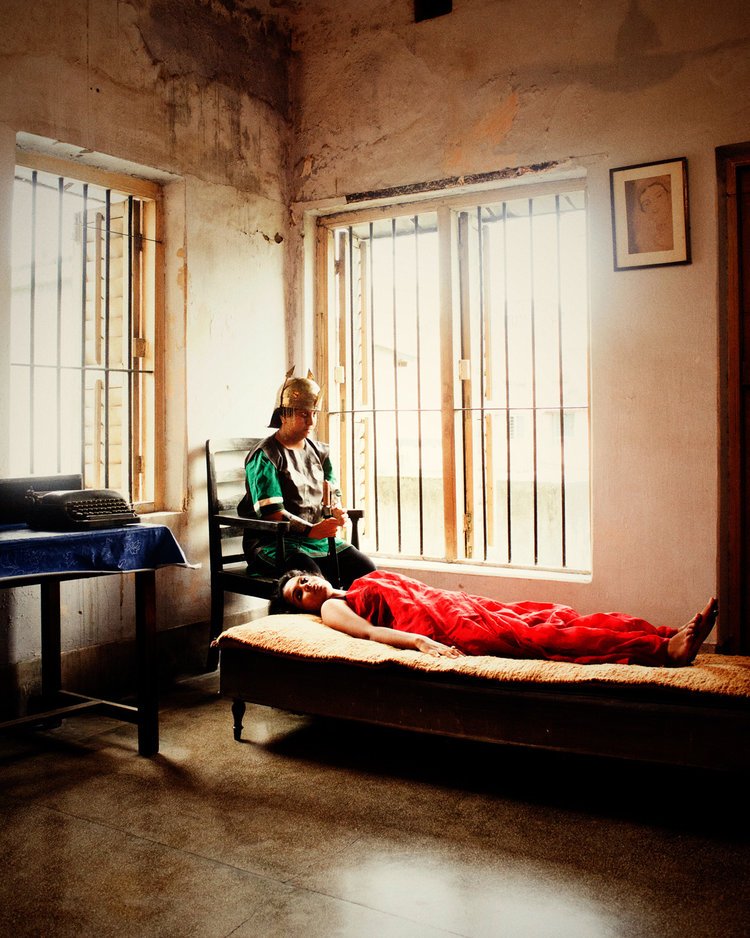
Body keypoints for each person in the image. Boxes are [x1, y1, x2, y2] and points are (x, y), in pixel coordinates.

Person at [272, 568, 718, 668]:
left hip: (458, 606)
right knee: (543, 638)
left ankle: (663, 632)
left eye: (304, 581)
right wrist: (419, 643)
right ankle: (663, 650)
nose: (307, 589)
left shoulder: (356, 578)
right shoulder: (333, 608)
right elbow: (371, 631)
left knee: (551, 620)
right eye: (299, 595)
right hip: (448, 626)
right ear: (303, 607)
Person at [238, 368, 375, 588]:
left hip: (316, 542)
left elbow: (331, 494)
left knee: (366, 572)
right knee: (313, 582)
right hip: (274, 543)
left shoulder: (321, 453)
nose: (311, 421)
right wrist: (311, 530)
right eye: (303, 414)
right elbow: (272, 513)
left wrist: (336, 512)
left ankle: (352, 621)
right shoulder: (266, 456)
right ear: (284, 414)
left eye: (314, 414)